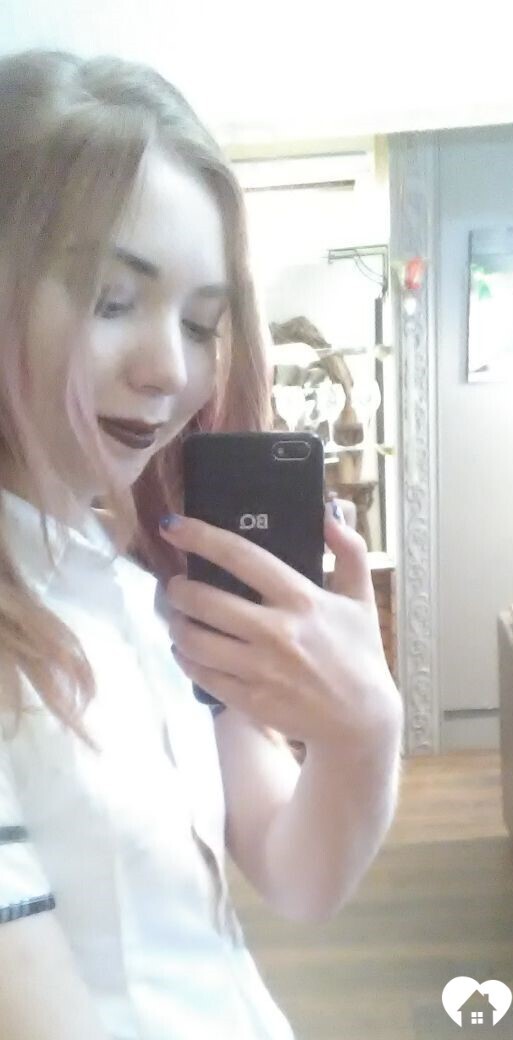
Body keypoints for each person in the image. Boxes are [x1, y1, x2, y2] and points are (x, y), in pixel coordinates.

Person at [0, 49, 403, 1040]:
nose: (169, 371)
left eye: (201, 322)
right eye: (112, 299)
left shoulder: (140, 580)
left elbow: (297, 874)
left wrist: (363, 730)